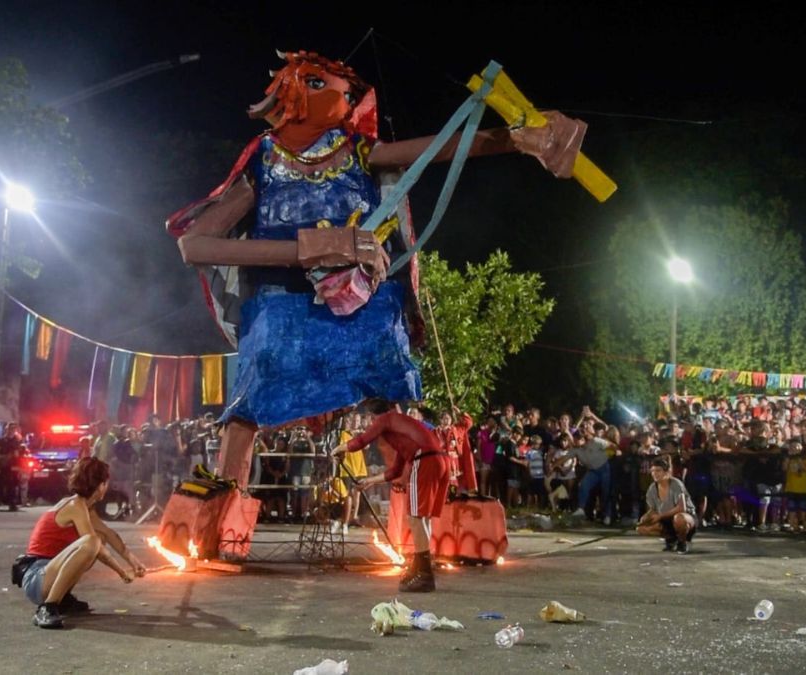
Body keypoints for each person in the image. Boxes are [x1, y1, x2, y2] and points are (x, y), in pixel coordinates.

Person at [166, 49, 587, 494]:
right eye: (317, 83)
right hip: (281, 303)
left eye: (342, 88)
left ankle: (416, 510)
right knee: (253, 396)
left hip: (363, 301)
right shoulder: (264, 161)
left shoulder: (359, 152)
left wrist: (517, 138)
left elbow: (437, 150)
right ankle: (221, 509)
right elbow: (193, 245)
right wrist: (309, 248)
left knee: (392, 386)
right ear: (290, 92)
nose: (343, 94)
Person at [19, 457, 147, 629]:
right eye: (105, 483)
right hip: (36, 577)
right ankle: (47, 607)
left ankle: (62, 599)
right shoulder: (75, 505)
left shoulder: (85, 507)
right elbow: (93, 546)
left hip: (46, 572)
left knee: (98, 538)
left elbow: (108, 534)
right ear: (100, 485)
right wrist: (122, 572)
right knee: (91, 542)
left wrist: (133, 560)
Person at [333, 401, 447, 592]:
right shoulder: (400, 426)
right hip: (439, 460)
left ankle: (425, 575)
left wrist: (340, 448)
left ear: (372, 414)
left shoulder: (386, 419)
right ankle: (420, 568)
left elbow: (361, 441)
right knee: (422, 517)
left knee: (415, 517)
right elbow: (396, 470)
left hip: (425, 459)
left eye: (368, 418)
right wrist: (370, 481)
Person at [636, 457, 697, 553]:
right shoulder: (652, 488)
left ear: (666, 472)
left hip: (684, 517)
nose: (654, 473)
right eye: (652, 471)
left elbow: (682, 508)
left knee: (679, 518)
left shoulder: (675, 484)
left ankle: (682, 542)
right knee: (641, 528)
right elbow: (653, 508)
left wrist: (659, 516)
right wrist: (646, 517)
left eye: (658, 470)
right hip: (666, 518)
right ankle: (671, 539)